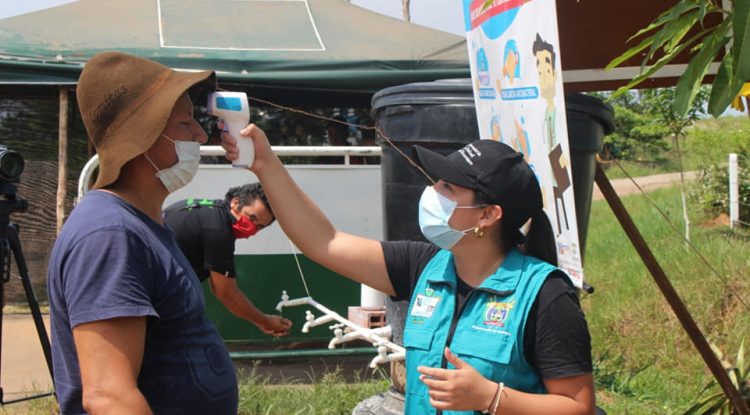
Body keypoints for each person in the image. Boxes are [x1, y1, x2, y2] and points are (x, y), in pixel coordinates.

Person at [223, 127, 595, 414]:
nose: (432, 191)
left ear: (488, 214)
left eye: (448, 187)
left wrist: (491, 397)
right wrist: (266, 163)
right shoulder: (422, 267)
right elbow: (324, 242)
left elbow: (578, 406)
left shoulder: (545, 295)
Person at [47, 51, 238, 414]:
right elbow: (109, 397)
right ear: (142, 136)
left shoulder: (144, 223)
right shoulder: (110, 233)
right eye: (185, 124)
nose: (200, 134)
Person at [163, 183, 292, 336]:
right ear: (235, 202)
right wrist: (266, 321)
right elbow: (226, 293)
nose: (251, 228)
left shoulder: (206, 210)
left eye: (259, 227)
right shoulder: (219, 231)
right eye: (251, 218)